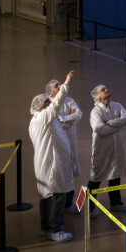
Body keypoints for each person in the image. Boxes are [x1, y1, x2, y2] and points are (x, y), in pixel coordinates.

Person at [28, 71, 75, 243]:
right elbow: (56, 104)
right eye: (47, 101)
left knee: (47, 197)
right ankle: (55, 230)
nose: (50, 103)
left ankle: (45, 228)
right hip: (52, 165)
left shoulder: (44, 119)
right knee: (56, 196)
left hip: (49, 163)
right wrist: (66, 83)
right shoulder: (42, 118)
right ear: (40, 106)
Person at [87, 85, 126, 217]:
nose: (106, 90)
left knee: (115, 175)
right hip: (102, 149)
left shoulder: (117, 105)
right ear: (98, 96)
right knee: (96, 176)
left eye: (105, 89)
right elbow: (99, 128)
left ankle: (116, 203)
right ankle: (90, 207)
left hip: (117, 147)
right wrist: (118, 126)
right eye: (103, 90)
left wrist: (110, 123)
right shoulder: (95, 112)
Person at [46, 78, 82, 214]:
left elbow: (78, 115)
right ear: (51, 91)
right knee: (59, 173)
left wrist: (64, 119)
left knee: (70, 172)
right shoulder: (49, 104)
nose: (60, 86)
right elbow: (55, 122)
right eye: (57, 86)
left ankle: (68, 203)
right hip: (57, 143)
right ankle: (57, 204)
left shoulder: (69, 100)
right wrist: (69, 120)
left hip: (70, 140)